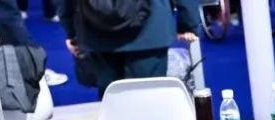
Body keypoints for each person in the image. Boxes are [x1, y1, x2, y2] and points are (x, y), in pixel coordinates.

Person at [61, 0, 201, 97]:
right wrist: (188, 25)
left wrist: (71, 30)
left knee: (112, 100)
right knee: (148, 98)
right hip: (151, 30)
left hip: (97, 27)